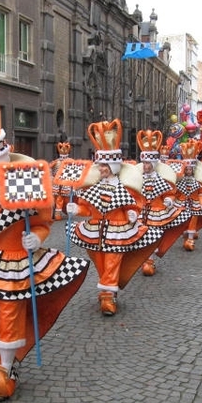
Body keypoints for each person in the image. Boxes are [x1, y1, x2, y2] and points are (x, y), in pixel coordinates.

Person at [0, 87, 89, 401]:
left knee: (10, 313)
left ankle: (7, 370)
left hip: (15, 263)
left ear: (1, 159)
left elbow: (41, 222)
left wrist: (34, 237)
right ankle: (1, 356)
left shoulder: (25, 185)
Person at [66, 119, 163, 314]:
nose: (101, 168)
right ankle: (107, 289)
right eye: (99, 164)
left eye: (104, 165)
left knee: (112, 261)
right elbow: (86, 209)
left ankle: (108, 296)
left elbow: (132, 203)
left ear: (113, 167)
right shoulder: (91, 186)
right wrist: (76, 210)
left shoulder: (124, 187)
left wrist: (132, 213)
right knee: (99, 261)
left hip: (117, 230)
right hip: (94, 230)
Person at [134, 129, 190, 276]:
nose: (145, 166)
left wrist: (169, 200)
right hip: (141, 212)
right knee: (141, 236)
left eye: (148, 163)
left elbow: (170, 193)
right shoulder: (137, 177)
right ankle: (143, 260)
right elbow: (133, 194)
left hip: (156, 212)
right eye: (144, 162)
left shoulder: (161, 178)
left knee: (153, 236)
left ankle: (149, 261)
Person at [170, 139, 202, 251]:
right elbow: (174, 192)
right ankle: (185, 234)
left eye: (191, 169)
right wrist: (171, 200)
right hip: (181, 203)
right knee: (182, 220)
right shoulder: (179, 180)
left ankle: (190, 238)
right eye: (187, 169)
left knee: (193, 219)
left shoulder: (199, 181)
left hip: (194, 203)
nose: (189, 171)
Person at [49, 141, 72, 221]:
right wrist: (51, 177)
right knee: (56, 198)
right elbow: (49, 169)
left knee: (61, 198)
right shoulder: (56, 162)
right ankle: (54, 214)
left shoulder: (70, 162)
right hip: (56, 183)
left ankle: (59, 213)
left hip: (65, 183)